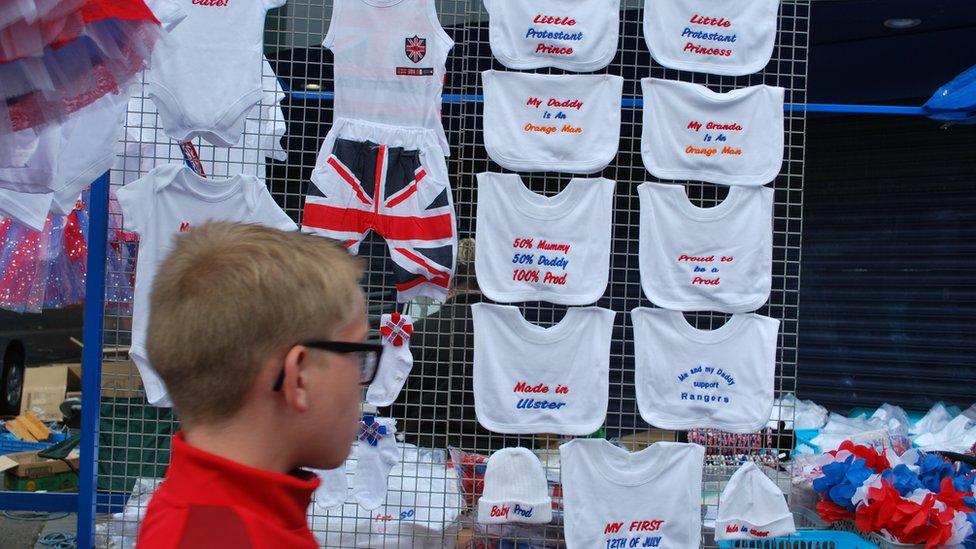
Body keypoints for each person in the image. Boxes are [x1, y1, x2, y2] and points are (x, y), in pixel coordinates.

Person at [137, 222, 372, 548]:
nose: (361, 380)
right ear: (299, 377)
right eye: (358, 353)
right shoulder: (224, 538)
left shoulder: (209, 518)